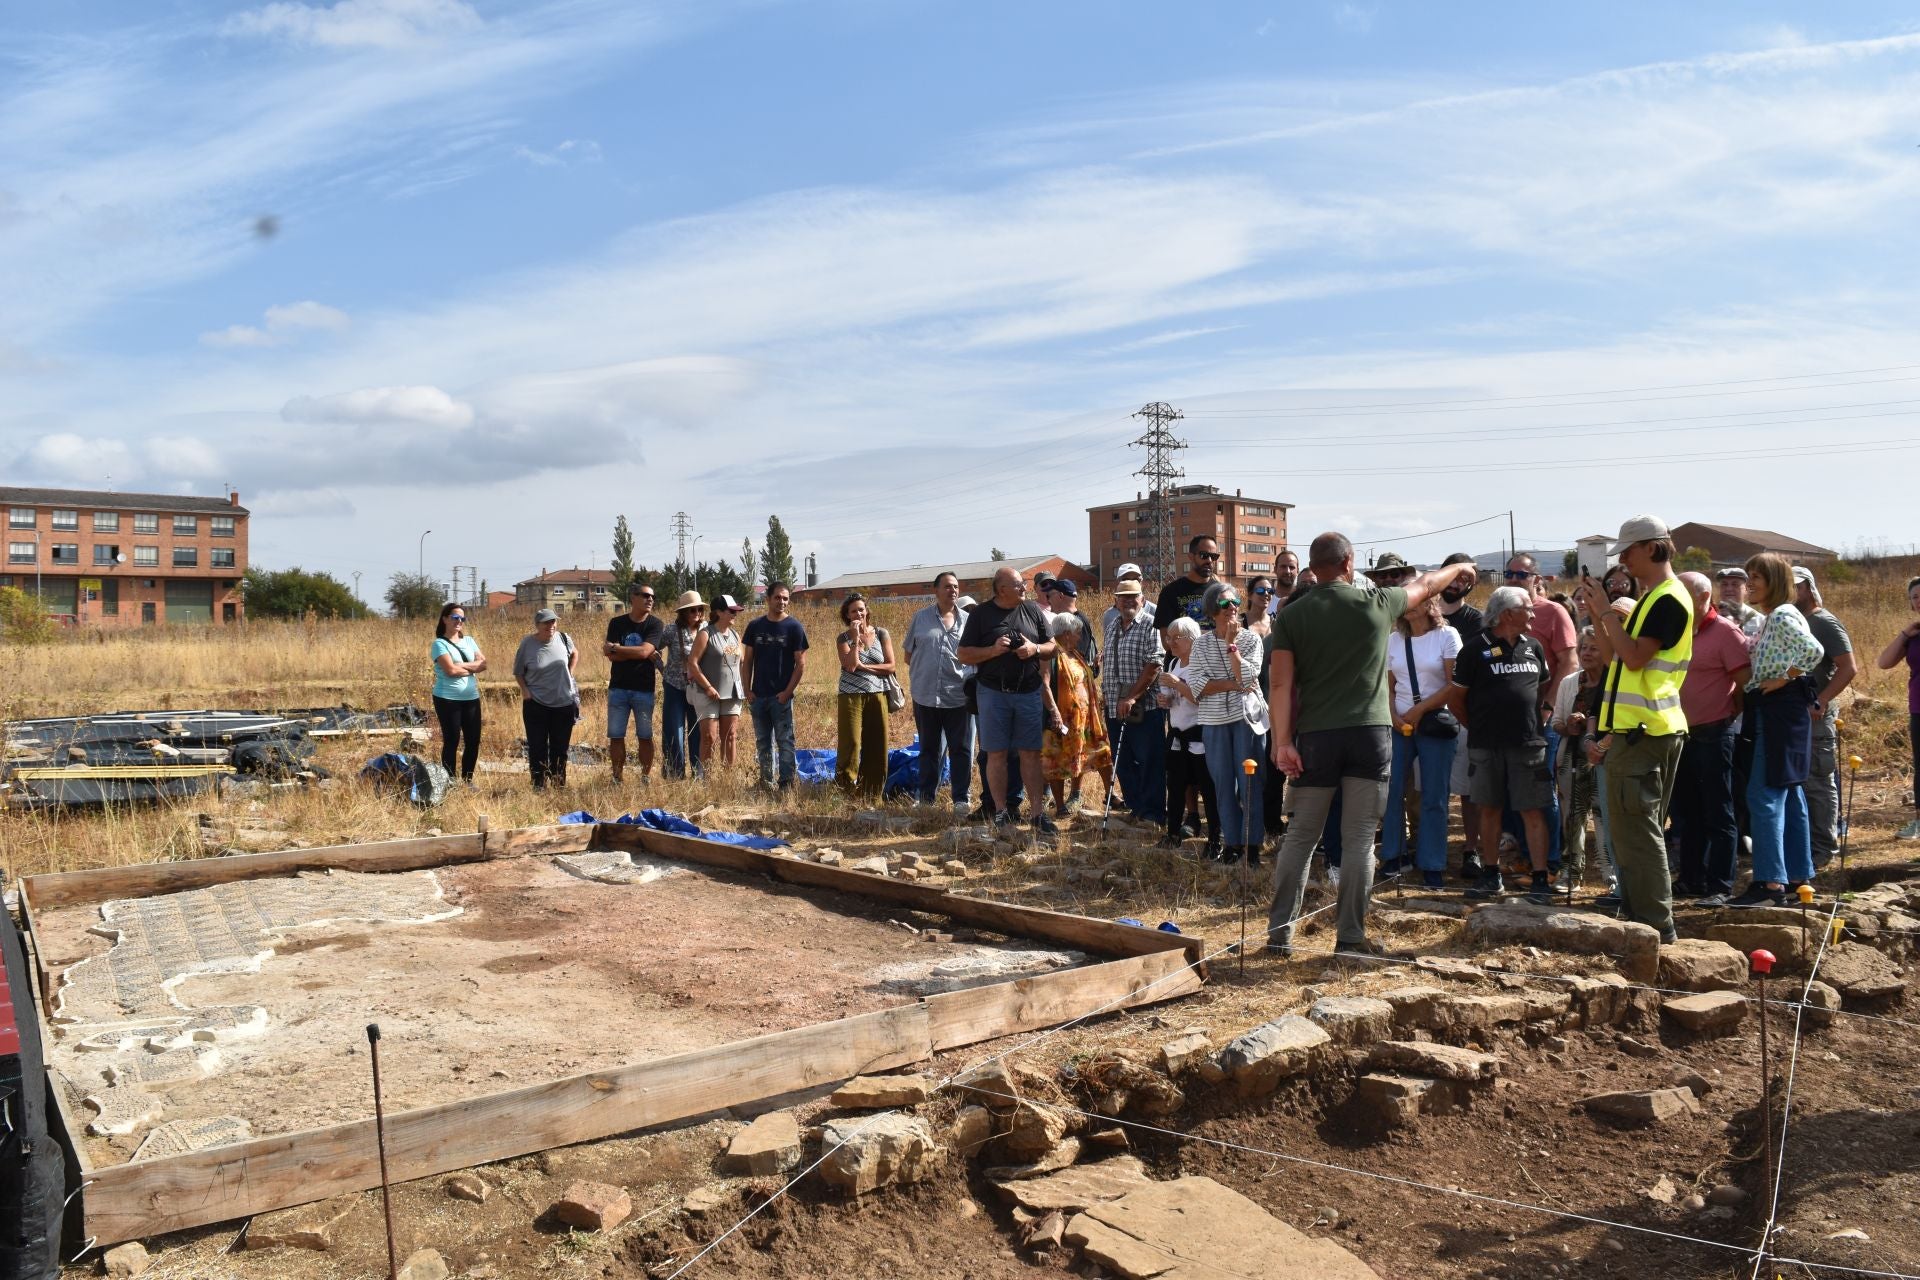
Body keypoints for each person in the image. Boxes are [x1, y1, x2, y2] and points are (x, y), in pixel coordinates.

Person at [1266, 534, 1475, 955]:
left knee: (1302, 836)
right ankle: (1350, 938)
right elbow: (1429, 585)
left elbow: (1280, 682)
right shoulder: (1377, 603)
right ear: (1349, 563)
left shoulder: (1291, 614)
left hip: (1316, 736)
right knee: (1360, 837)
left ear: (1313, 566)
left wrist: (1282, 742)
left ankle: (1278, 936)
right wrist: (1460, 569)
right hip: (1370, 734)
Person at [1573, 516, 1693, 942]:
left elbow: (1637, 659)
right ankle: (1642, 918)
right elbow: (1614, 658)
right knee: (1629, 833)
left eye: (1628, 551)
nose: (1622, 561)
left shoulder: (1667, 599)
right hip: (1637, 731)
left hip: (1646, 732)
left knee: (1638, 834)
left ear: (1653, 548)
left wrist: (1606, 609)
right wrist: (1597, 612)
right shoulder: (1651, 599)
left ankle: (1655, 927)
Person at [1727, 553, 1826, 907]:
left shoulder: (1783, 615)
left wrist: (1782, 678)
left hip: (1778, 711)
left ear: (1775, 582)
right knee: (1789, 792)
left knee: (1763, 795)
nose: (1750, 582)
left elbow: (1813, 651)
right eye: (1748, 575)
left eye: (1756, 577)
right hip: (1783, 711)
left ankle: (1769, 884)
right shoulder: (1773, 617)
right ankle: (1798, 878)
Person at [1450, 587, 1555, 903]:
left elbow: (1542, 687)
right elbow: (1456, 700)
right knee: (1489, 809)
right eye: (1527, 608)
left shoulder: (1533, 647)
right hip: (1487, 746)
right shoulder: (1473, 650)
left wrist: (1541, 715)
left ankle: (1539, 879)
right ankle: (1491, 874)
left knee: (1532, 809)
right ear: (1507, 613)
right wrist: (1478, 728)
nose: (1533, 614)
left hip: (1528, 744)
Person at [957, 567, 1058, 835]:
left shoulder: (1033, 611)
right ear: (1001, 589)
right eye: (1019, 584)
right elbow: (964, 654)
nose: (1025, 587)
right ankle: (1001, 812)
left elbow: (1053, 647)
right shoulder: (980, 614)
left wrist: (1033, 649)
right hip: (992, 693)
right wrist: (993, 650)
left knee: (1030, 753)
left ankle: (1037, 814)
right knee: (996, 753)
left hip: (1028, 691)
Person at [1671, 572, 1751, 905]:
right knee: (1687, 814)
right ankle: (1691, 879)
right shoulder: (1675, 632)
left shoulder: (1726, 633)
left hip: (1715, 732)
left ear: (1704, 597)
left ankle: (1720, 885)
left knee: (1719, 812)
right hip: (1680, 735)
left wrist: (1728, 716)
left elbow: (1745, 682)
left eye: (1683, 593)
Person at [1384, 595, 1462, 889]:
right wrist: (1394, 715)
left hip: (1434, 723)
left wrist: (1420, 709)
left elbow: (1454, 683)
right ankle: (1393, 855)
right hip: (1399, 723)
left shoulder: (1447, 635)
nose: (1409, 603)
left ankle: (1432, 863)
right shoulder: (1394, 639)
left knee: (1434, 795)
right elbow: (1389, 686)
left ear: (1430, 603)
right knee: (1392, 792)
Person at [1186, 581, 1268, 865]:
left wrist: (1233, 648)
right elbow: (1198, 686)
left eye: (1234, 602)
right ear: (1212, 610)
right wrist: (1233, 683)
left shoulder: (1250, 640)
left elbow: (1248, 679)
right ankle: (1232, 843)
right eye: (1224, 604)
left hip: (1246, 719)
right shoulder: (1201, 644)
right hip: (1214, 721)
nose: (1232, 607)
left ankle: (1253, 844)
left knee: (1249, 784)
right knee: (1222, 784)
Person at [1505, 552, 1575, 868]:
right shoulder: (1501, 616)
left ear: (1536, 579)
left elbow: (1569, 662)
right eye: (1510, 574)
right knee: (1515, 789)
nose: (1515, 579)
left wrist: (1548, 706)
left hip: (1542, 717)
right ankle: (1526, 853)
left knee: (1541, 788)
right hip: (1511, 719)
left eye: (1522, 575)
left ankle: (1551, 858)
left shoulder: (1553, 612)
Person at [1793, 567, 1855, 870]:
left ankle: (1824, 847)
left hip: (1817, 716)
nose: (1792, 593)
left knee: (1819, 781)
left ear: (1808, 588)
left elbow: (1848, 667)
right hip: (1792, 715)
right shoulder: (1791, 620)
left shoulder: (1825, 621)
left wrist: (1823, 699)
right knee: (1800, 782)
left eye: (1797, 587)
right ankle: (1805, 845)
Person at [903, 573, 973, 812]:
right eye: (947, 586)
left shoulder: (967, 621)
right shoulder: (920, 618)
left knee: (961, 750)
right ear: (936, 590)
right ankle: (926, 799)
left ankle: (961, 799)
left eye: (956, 586)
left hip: (958, 697)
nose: (952, 590)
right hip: (925, 695)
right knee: (929, 749)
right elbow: (908, 655)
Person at [1436, 552, 1486, 878]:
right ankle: (1430, 847)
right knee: (1431, 788)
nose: (1459, 583)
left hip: (1465, 712)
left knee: (1469, 789)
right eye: (1454, 576)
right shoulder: (1422, 614)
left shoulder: (1476, 621)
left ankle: (1471, 849)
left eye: (1466, 579)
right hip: (1427, 712)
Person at [1553, 627, 1613, 895]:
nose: (1587, 653)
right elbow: (1556, 722)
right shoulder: (1569, 683)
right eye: (1583, 648)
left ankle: (1610, 875)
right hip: (1571, 758)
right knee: (1573, 816)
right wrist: (1569, 725)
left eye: (1594, 647)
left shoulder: (1614, 682)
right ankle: (1570, 872)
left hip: (1605, 757)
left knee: (1604, 815)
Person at [1101, 580, 1166, 827]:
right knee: (1123, 761)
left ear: (1142, 599)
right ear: (1116, 600)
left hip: (1144, 706)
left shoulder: (1151, 625)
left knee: (1149, 760)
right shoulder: (1112, 626)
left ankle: (1153, 813)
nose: (1128, 601)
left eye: (1133, 597)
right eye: (1123, 597)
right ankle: (1137, 807)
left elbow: (1154, 664)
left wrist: (1131, 697)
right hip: (1114, 706)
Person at [1157, 617, 1221, 856]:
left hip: (1199, 736)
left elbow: (1200, 698)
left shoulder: (1200, 664)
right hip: (1177, 734)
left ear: (1192, 639)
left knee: (1209, 790)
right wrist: (1166, 699)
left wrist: (1178, 684)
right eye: (1168, 637)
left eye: (1176, 638)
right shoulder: (1174, 663)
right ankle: (1172, 833)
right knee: (1174, 787)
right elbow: (1178, 699)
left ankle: (1215, 839)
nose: (1170, 642)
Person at [742, 582, 810, 792]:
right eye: (778, 597)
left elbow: (800, 664)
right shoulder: (755, 626)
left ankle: (786, 784)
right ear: (768, 599)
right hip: (758, 696)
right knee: (763, 742)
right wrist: (747, 690)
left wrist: (787, 693)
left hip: (781, 697)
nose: (782, 602)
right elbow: (748, 660)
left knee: (785, 742)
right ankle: (766, 782)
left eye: (785, 598)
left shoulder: (794, 627)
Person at [1041, 614, 1111, 814]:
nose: (1080, 637)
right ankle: (1060, 806)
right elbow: (1044, 685)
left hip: (1087, 719)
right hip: (1062, 720)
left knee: (1102, 752)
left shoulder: (1075, 653)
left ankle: (1110, 795)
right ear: (1066, 633)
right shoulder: (1052, 653)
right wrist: (1053, 712)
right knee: (1057, 760)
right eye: (1077, 633)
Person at [835, 593, 896, 800]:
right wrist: (854, 640)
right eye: (853, 611)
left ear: (867, 610)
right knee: (850, 742)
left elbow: (890, 666)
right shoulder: (843, 638)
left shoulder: (881, 633)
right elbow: (850, 666)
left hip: (877, 694)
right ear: (847, 615)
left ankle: (871, 794)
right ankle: (845, 791)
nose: (859, 613)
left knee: (877, 743)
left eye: (861, 609)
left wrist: (866, 667)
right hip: (850, 696)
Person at [602, 582, 663, 784]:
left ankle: (645, 778)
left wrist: (618, 649)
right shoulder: (616, 623)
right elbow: (611, 657)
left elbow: (644, 651)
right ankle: (617, 778)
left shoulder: (655, 624)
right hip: (618, 688)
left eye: (652, 596)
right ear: (633, 598)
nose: (650, 600)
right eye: (645, 595)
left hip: (644, 689)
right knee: (616, 735)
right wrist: (640, 653)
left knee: (645, 736)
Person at [1874, 575, 1920, 840]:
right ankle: (1918, 823)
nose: (1919, 600)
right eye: (1914, 597)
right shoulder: (1913, 635)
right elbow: (1883, 662)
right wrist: (1904, 633)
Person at [512, 608, 578, 790]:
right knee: (537, 747)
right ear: (537, 625)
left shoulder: (564, 638)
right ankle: (538, 785)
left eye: (553, 622)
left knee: (560, 748)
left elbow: (574, 654)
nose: (551, 625)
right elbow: (518, 672)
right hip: (536, 704)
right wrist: (525, 690)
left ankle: (558, 783)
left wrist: (570, 673)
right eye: (547, 622)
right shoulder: (527, 644)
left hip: (564, 703)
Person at [687, 593, 745, 771]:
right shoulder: (706, 634)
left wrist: (745, 688)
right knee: (709, 737)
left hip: (733, 693)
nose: (735, 614)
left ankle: (726, 779)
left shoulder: (735, 635)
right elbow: (692, 663)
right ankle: (707, 778)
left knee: (730, 736)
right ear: (719, 612)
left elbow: (742, 662)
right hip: (707, 693)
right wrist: (708, 687)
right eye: (731, 611)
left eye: (736, 611)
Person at [430, 602, 487, 783]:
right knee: (452, 740)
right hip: (448, 699)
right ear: (445, 619)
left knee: (473, 741)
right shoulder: (439, 644)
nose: (459, 621)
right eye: (455, 617)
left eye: (462, 618)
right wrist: (472, 668)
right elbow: (450, 671)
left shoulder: (469, 641)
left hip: (471, 698)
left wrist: (461, 666)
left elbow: (483, 664)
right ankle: (450, 780)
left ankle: (467, 779)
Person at [659, 592, 707, 779]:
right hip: (674, 688)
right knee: (674, 732)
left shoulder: (706, 629)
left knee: (697, 732)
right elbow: (654, 649)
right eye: (692, 610)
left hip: (698, 688)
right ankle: (674, 775)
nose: (697, 613)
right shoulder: (671, 630)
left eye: (700, 609)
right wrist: (663, 670)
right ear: (684, 612)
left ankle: (698, 774)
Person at [1155, 535, 1221, 637]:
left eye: (1214, 557)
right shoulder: (1170, 592)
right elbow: (1166, 640)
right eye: (1204, 555)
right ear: (1191, 556)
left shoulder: (1221, 592)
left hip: (1214, 652)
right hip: (1181, 653)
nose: (1209, 561)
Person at [1101, 562, 1157, 636]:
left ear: (1141, 582)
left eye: (1136, 579)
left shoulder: (1155, 611)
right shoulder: (1109, 615)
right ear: (1118, 583)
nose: (1132, 583)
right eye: (1126, 580)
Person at [1716, 567, 1765, 638]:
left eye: (1735, 584)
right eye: (1724, 584)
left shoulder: (1760, 621)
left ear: (1746, 589)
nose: (1729, 589)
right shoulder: (1709, 617)